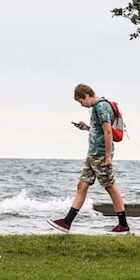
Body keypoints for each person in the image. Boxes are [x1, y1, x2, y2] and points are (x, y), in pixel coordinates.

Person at [47, 83, 130, 234]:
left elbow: (108, 132)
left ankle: (123, 225)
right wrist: (86, 128)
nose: (82, 105)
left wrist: (107, 156)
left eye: (81, 101)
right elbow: (99, 130)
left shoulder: (101, 107)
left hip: (100, 153)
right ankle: (66, 222)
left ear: (86, 96)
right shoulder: (96, 108)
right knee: (82, 186)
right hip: (92, 153)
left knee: (110, 186)